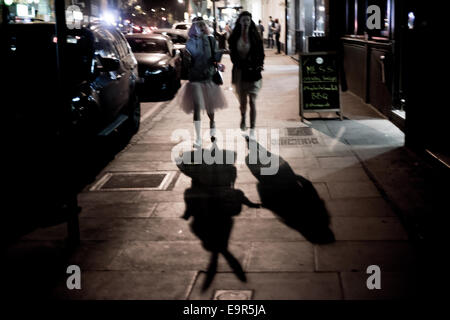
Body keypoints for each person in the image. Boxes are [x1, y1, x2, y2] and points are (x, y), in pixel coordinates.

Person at [177, 17, 227, 149]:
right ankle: (198, 138)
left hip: (209, 77)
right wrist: (187, 58)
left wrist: (219, 61)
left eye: (202, 25)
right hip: (195, 78)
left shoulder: (211, 40)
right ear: (193, 27)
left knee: (210, 109)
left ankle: (212, 125)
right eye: (197, 25)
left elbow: (215, 58)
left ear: (205, 26)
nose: (200, 27)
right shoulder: (190, 42)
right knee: (197, 106)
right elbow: (190, 61)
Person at [228, 11, 265, 140]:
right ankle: (243, 117)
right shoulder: (234, 37)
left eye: (248, 20)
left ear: (251, 21)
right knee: (243, 101)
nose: (246, 22)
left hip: (253, 72)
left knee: (253, 101)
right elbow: (232, 54)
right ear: (239, 21)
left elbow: (261, 53)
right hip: (240, 72)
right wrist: (238, 62)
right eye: (243, 20)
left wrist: (259, 65)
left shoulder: (255, 36)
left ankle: (253, 128)